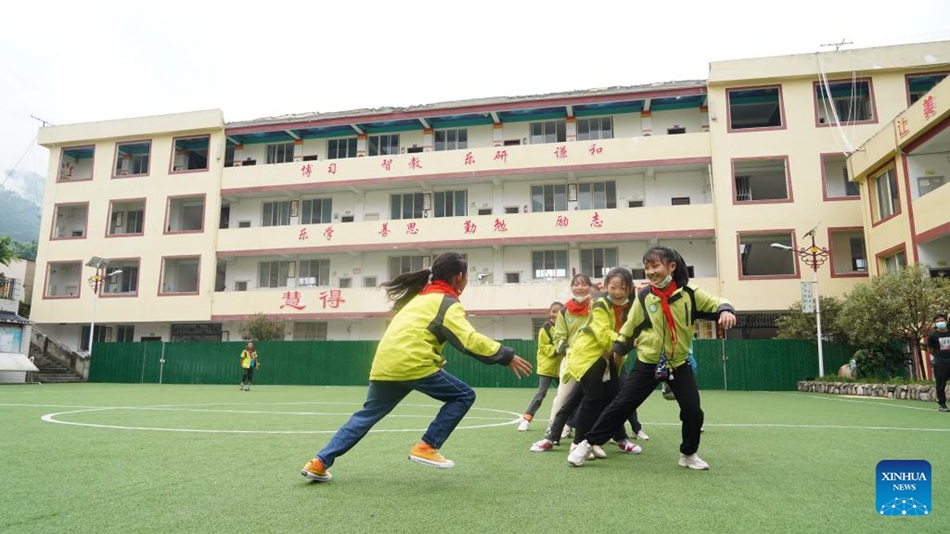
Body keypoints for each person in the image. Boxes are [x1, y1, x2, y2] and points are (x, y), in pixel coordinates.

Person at [301, 252, 533, 482]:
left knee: (365, 416)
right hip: (411, 364)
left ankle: (319, 462)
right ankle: (427, 446)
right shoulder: (447, 302)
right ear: (459, 276)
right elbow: (468, 339)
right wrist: (506, 355)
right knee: (463, 396)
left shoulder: (418, 299)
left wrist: (435, 359)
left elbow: (417, 334)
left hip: (384, 365)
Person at [567, 246, 736, 470]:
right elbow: (630, 326)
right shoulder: (645, 296)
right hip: (648, 361)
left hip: (678, 362)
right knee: (622, 405)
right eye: (647, 267)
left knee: (692, 410)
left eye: (655, 266)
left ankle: (688, 454)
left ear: (671, 267)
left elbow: (717, 303)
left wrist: (726, 311)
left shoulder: (689, 293)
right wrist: (619, 348)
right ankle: (586, 443)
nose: (650, 272)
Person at [563, 266, 645, 462]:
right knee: (592, 398)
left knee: (613, 398)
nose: (617, 292)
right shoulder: (600, 303)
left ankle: (597, 441)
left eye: (622, 288)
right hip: (589, 356)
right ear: (605, 286)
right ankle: (578, 443)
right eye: (613, 287)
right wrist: (623, 345)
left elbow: (634, 329)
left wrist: (626, 345)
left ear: (629, 289)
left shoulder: (630, 307)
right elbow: (602, 333)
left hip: (610, 359)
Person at [530, 274, 592, 451]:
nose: (580, 288)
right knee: (562, 396)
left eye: (584, 284)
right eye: (576, 284)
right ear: (572, 287)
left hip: (593, 361)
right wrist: (567, 349)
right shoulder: (565, 311)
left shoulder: (597, 308)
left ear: (590, 287)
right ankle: (552, 432)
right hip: (571, 360)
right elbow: (559, 338)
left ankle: (599, 437)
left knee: (598, 398)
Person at [517, 301, 564, 431]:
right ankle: (526, 420)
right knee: (541, 394)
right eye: (553, 311)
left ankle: (565, 425)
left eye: (559, 311)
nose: (555, 314)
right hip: (547, 368)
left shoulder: (565, 327)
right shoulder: (545, 328)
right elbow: (544, 347)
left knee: (565, 396)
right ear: (550, 313)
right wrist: (557, 350)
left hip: (561, 369)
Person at [926, 313, 950, 412]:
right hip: (940, 363)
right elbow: (929, 349)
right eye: (937, 322)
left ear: (946, 321)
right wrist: (938, 356)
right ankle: (942, 404)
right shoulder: (932, 336)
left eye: (941, 321)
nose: (940, 323)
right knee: (941, 384)